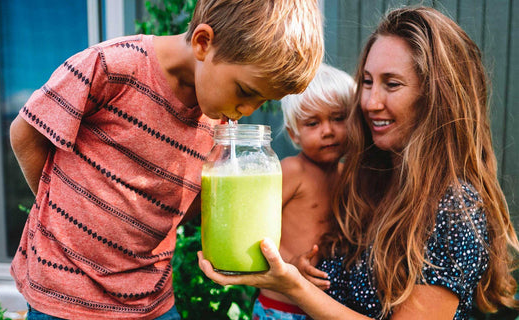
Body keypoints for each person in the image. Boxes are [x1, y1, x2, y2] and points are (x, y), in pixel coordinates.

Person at [199, 6, 519, 320]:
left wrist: (296, 288)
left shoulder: (454, 209)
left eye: (391, 84)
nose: (370, 102)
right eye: (367, 82)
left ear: (438, 95)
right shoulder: (368, 180)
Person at [8, 0, 324, 319]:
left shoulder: (218, 118)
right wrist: (60, 216)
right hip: (66, 293)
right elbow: (26, 133)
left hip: (150, 298)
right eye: (244, 91)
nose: (247, 110)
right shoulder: (112, 64)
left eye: (263, 101)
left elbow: (192, 203)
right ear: (203, 43)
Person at [253, 63, 355, 320]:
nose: (328, 131)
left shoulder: (347, 176)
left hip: (324, 307)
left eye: (338, 118)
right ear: (294, 134)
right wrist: (289, 265)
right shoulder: (292, 171)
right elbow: (254, 228)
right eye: (313, 123)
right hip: (280, 307)